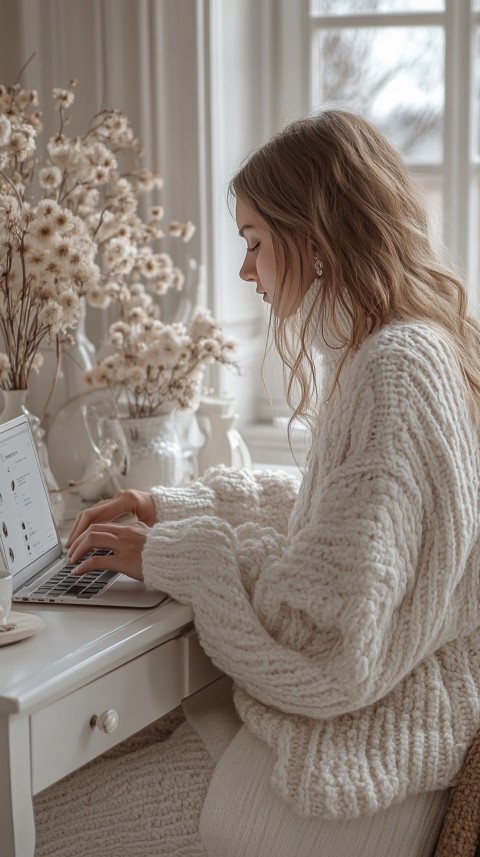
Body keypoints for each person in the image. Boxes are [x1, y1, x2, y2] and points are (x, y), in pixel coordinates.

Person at [34, 109, 480, 857]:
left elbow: (329, 637)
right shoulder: (419, 345)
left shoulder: (393, 372)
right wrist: (169, 504)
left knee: (38, 819)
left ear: (315, 240)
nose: (246, 271)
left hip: (344, 776)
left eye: (254, 242)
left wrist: (176, 554)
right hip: (380, 732)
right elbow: (331, 516)